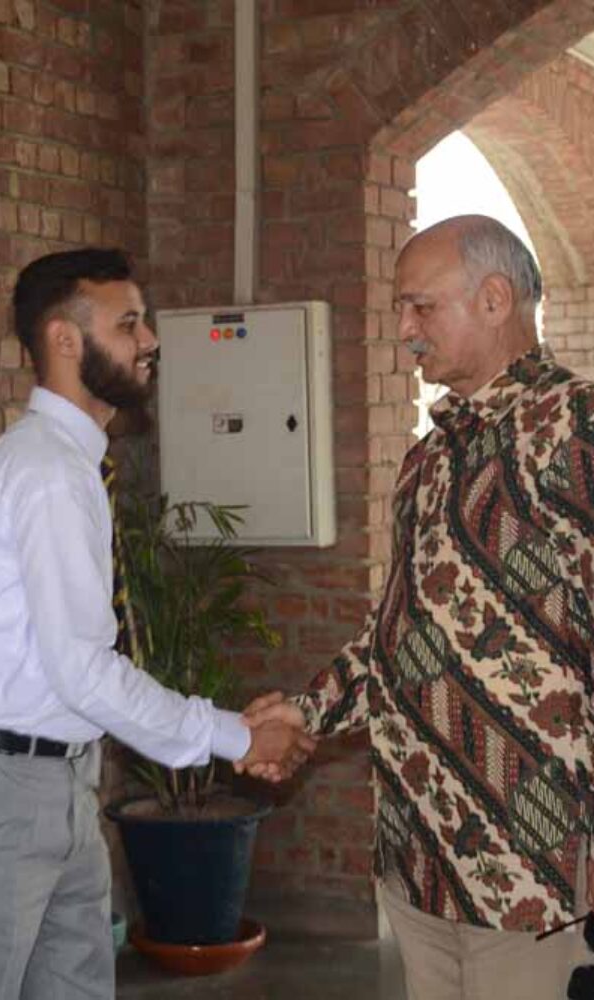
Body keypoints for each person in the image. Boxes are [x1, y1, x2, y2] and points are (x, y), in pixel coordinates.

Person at [0, 248, 314, 1000]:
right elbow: (83, 669)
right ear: (64, 339)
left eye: (142, 324)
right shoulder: (47, 471)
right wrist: (238, 736)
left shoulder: (71, 464)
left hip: (55, 781)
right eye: (128, 325)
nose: (149, 341)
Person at [247, 215, 594, 999]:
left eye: (421, 306)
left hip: (529, 868)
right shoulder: (429, 457)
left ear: (495, 299)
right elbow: (403, 636)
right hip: (419, 856)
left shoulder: (574, 428)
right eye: (400, 308)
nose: (403, 329)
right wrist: (305, 712)